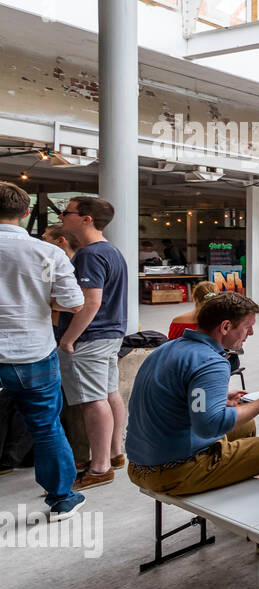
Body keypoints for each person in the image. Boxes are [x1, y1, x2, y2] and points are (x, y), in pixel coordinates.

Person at [126, 293, 259, 497]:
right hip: (176, 472)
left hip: (139, 465)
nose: (252, 333)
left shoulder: (168, 348)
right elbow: (209, 426)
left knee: (246, 425)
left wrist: (217, 398)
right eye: (247, 327)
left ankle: (250, 484)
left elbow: (180, 395)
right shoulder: (211, 362)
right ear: (226, 327)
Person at [0, 182, 86, 519]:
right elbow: (73, 303)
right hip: (30, 351)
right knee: (45, 425)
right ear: (25, 213)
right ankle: (61, 498)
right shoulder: (47, 253)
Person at [56, 195, 129, 491]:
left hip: (90, 336)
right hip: (110, 334)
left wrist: (68, 339)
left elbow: (91, 301)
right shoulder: (111, 251)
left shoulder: (90, 255)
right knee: (109, 393)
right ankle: (114, 454)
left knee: (92, 401)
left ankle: (99, 467)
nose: (63, 216)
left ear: (86, 219)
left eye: (67, 212)